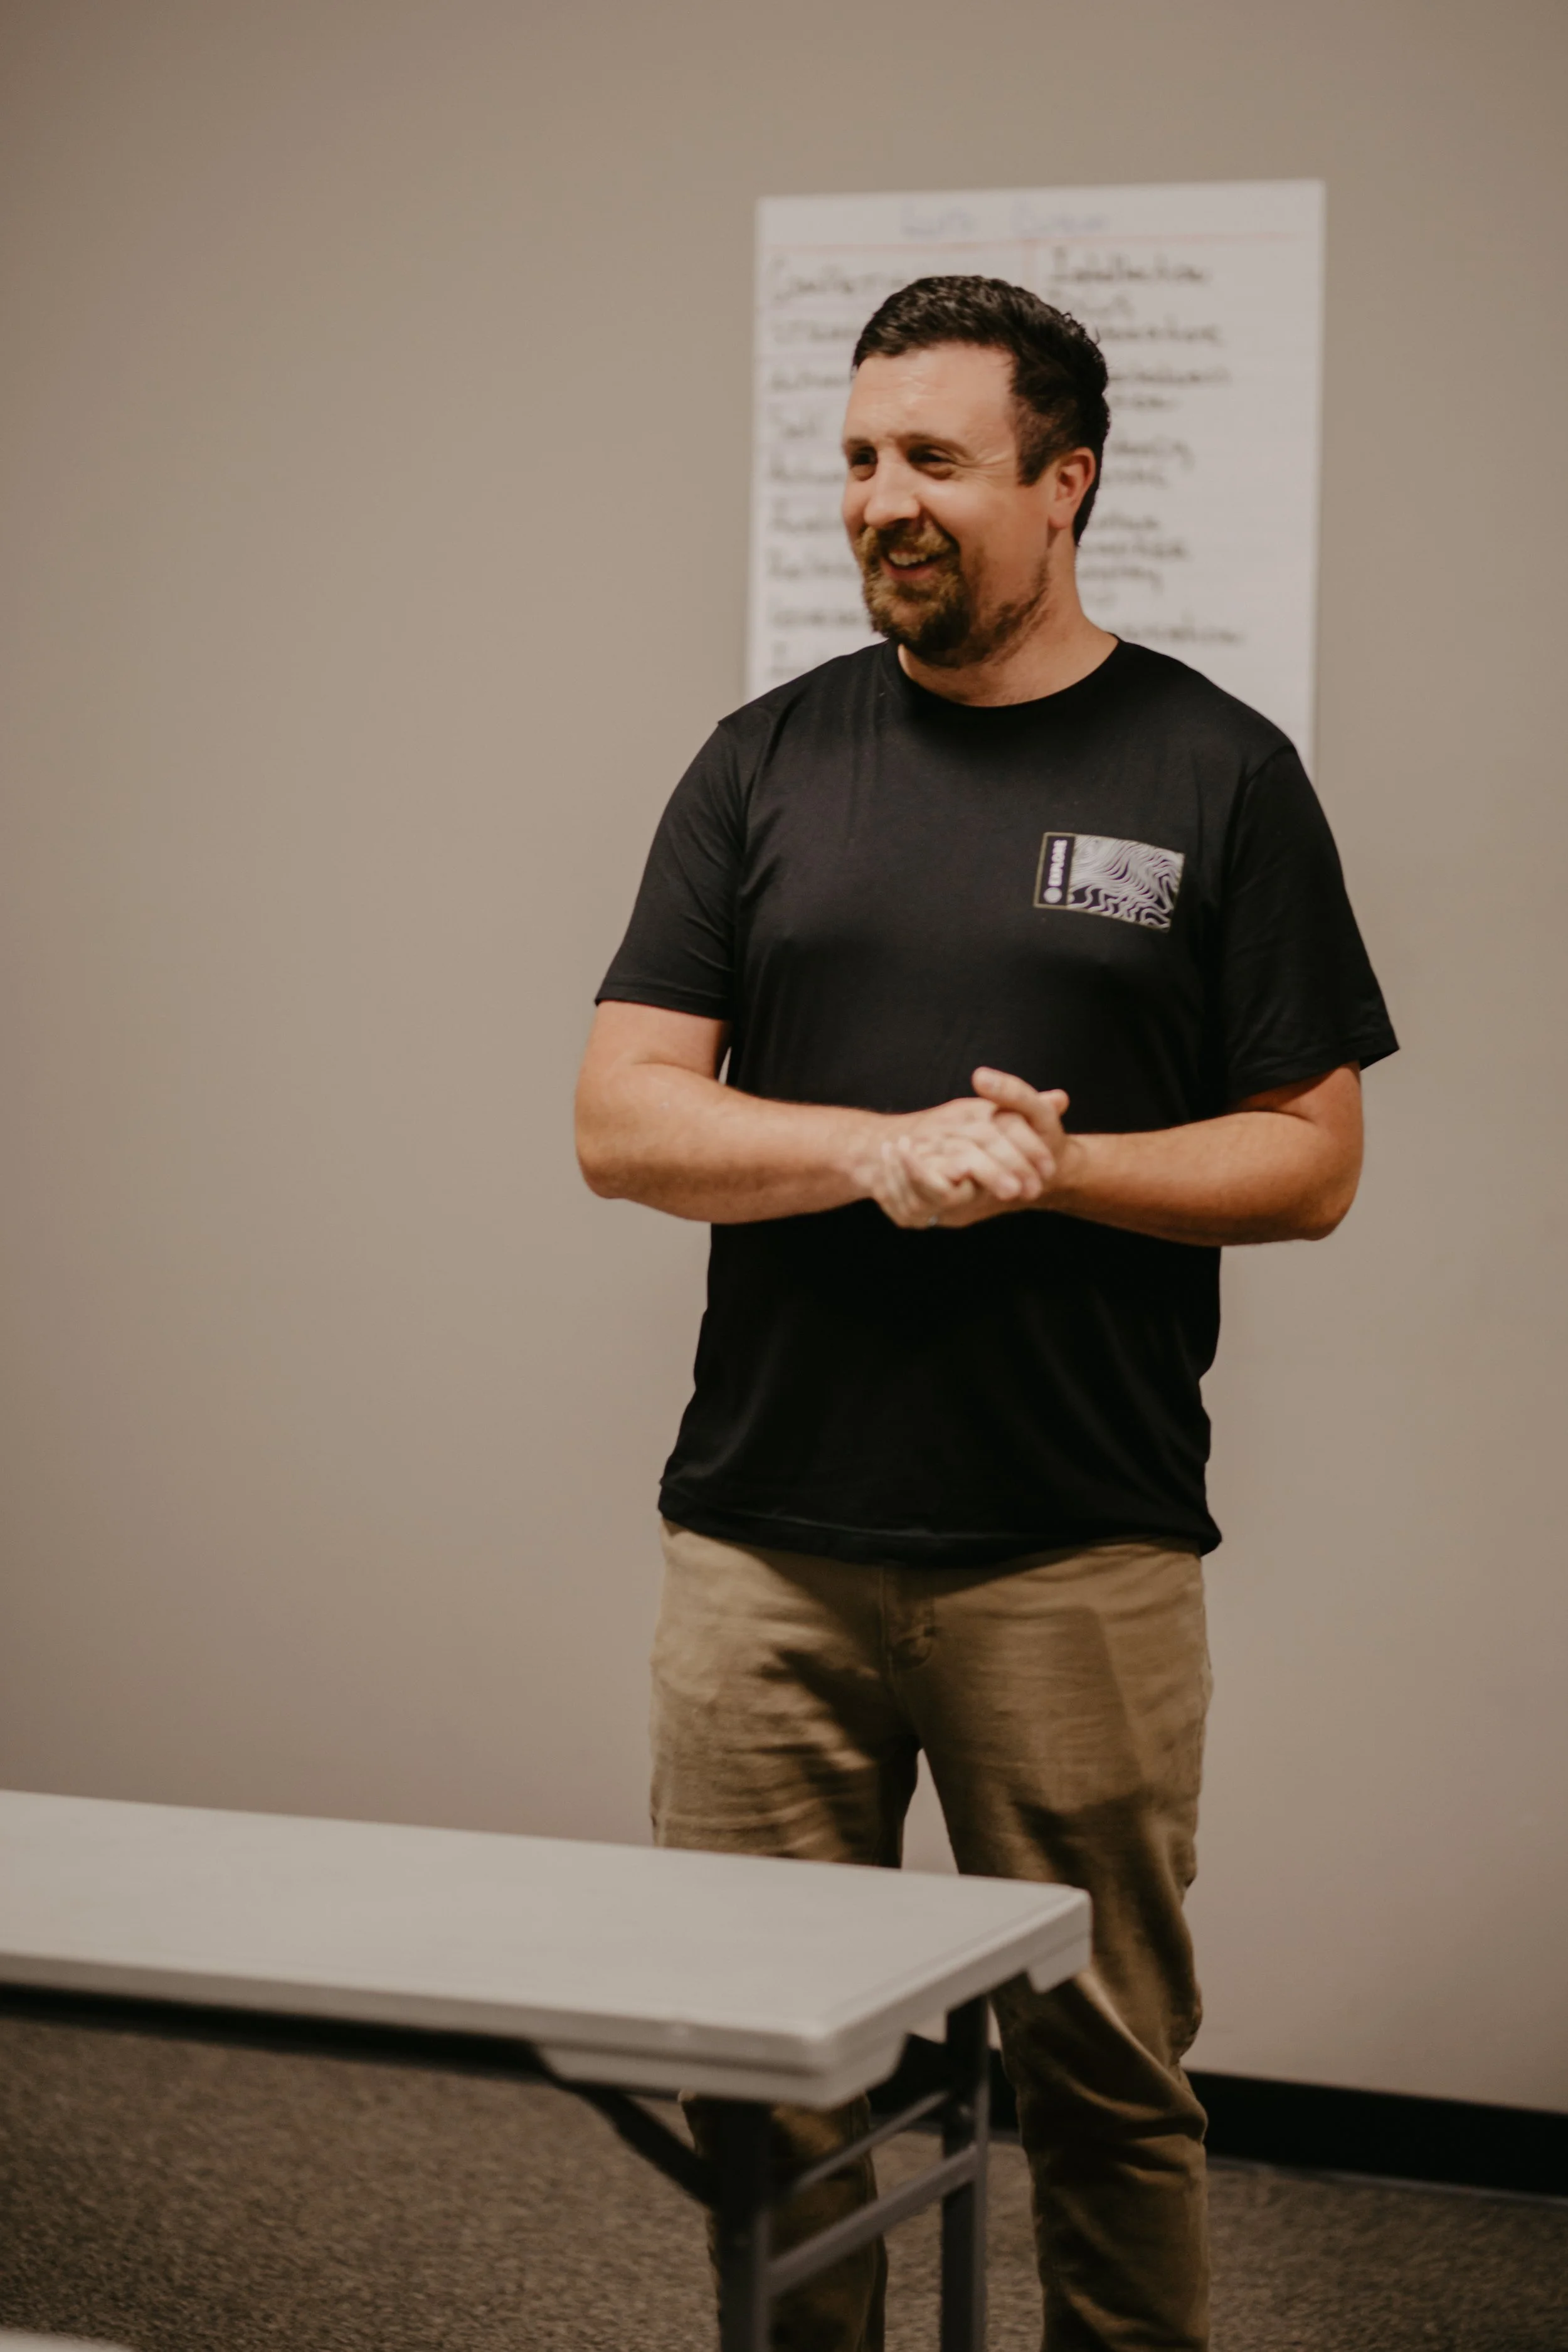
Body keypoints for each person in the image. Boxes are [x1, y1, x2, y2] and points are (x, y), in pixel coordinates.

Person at [575, 275, 1396, 2352]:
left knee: (1105, 2081)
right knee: (768, 2077)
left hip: (1076, 1545)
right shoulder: (761, 760)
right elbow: (620, 1116)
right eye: (857, 459)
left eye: (932, 459)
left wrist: (1056, 1162)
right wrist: (876, 1146)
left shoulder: (1219, 771)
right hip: (762, 1541)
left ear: (1065, 481)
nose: (881, 501)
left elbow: (1306, 1156)